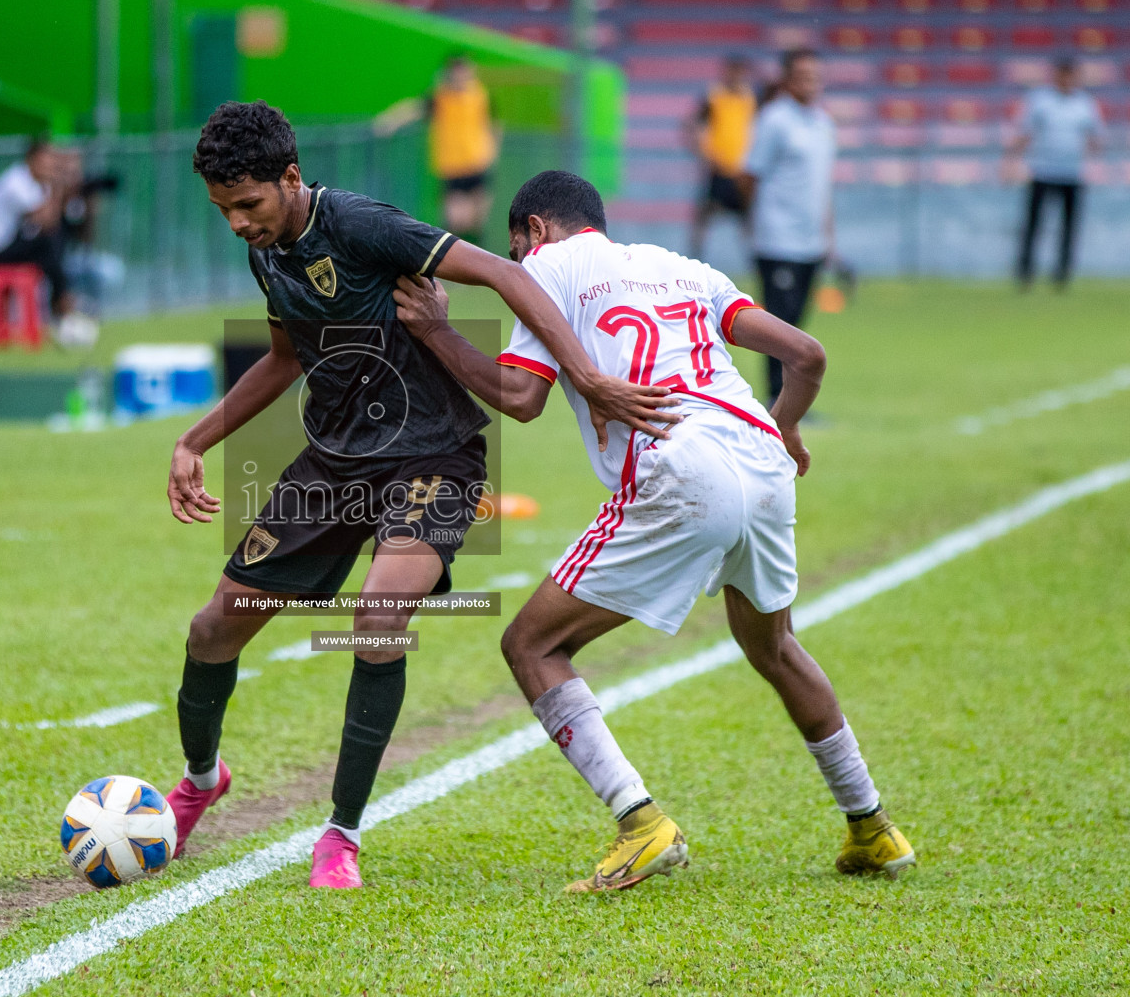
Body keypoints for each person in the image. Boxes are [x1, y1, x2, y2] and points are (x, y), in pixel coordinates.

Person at [163, 101, 676, 890]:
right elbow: (283, 356)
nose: (237, 223)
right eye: (224, 209)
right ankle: (200, 782)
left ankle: (340, 835)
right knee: (209, 632)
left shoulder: (364, 225)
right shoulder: (267, 247)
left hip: (434, 454)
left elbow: (506, 273)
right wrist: (196, 440)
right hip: (332, 463)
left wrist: (587, 377)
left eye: (248, 205)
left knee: (378, 614)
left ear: (291, 179)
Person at [390, 170, 914, 892]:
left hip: (680, 463)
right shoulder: (683, 269)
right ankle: (873, 828)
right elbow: (807, 354)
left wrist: (436, 330)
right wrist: (787, 426)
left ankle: (640, 822)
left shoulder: (544, 266)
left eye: (516, 248)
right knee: (775, 645)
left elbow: (520, 397)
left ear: (534, 231)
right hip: (762, 460)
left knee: (531, 644)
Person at [741, 48, 836, 408]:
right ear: (786, 79)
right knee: (779, 326)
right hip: (778, 239)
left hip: (811, 241)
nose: (810, 83)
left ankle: (788, 404)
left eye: (815, 76)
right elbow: (750, 175)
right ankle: (775, 401)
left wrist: (829, 236)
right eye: (802, 76)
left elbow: (822, 187)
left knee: (797, 323)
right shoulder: (774, 120)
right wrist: (754, 223)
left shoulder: (823, 123)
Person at [376, 55, 501, 246]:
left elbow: (494, 124)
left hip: (477, 164)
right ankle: (456, 261)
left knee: (477, 219)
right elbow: (414, 108)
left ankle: (478, 262)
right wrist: (390, 122)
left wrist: (492, 151)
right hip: (452, 168)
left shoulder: (480, 96)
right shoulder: (440, 97)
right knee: (457, 220)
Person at [1010, 56, 1104, 290]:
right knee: (1034, 225)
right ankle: (1026, 272)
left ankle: (1062, 275)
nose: (1067, 79)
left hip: (1072, 174)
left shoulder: (1085, 104)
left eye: (1071, 75)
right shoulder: (1040, 101)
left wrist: (1095, 156)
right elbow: (1025, 132)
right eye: (1063, 74)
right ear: (1056, 76)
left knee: (1069, 227)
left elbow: (1095, 137)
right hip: (1042, 171)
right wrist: (1011, 161)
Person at [0, 137, 75, 319]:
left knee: (53, 242)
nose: (53, 166)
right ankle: (61, 300)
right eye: (49, 159)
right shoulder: (16, 182)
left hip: (7, 245)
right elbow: (47, 222)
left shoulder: (34, 185)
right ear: (33, 158)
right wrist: (57, 186)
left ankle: (60, 298)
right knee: (47, 243)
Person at [685, 55, 757, 261]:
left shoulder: (751, 98)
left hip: (743, 173)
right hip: (718, 170)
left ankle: (757, 263)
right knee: (703, 218)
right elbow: (693, 125)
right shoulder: (714, 96)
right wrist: (704, 152)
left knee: (749, 222)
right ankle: (694, 260)